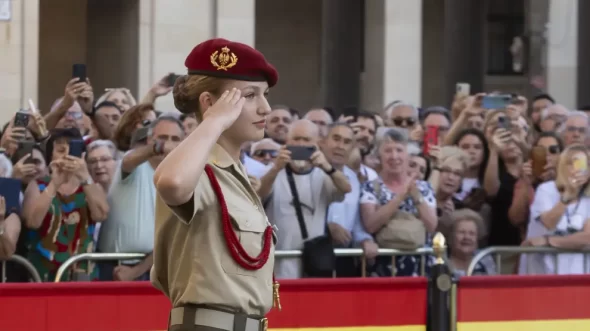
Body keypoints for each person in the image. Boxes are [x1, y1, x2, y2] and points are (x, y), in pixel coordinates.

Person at [151, 38, 279, 331]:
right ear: (209, 103)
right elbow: (172, 183)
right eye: (249, 95)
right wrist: (213, 122)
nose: (265, 108)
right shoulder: (199, 167)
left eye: (265, 94)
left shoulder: (233, 174)